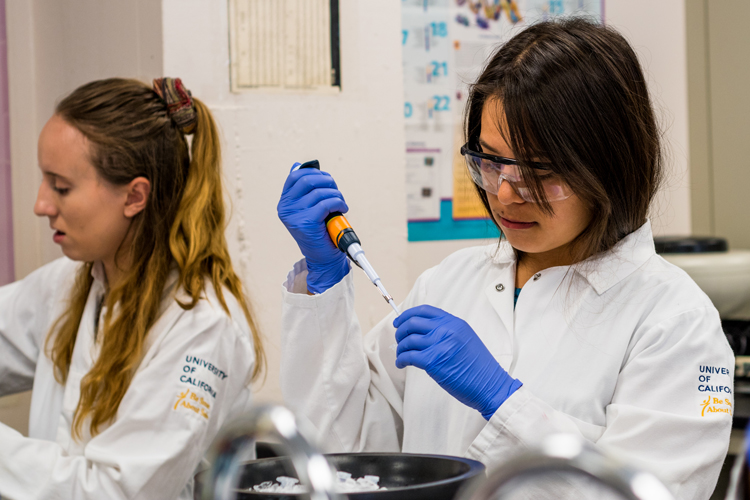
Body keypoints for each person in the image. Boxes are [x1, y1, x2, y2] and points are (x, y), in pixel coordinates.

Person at [277, 18, 733, 499]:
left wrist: (503, 400)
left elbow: (648, 494)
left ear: (609, 163)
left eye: (541, 168)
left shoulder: (676, 323)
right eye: (490, 160)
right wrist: (326, 284)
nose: (506, 193)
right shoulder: (448, 283)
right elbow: (349, 456)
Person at [0, 77, 264, 499]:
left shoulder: (202, 328)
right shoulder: (74, 282)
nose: (41, 205)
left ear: (134, 196)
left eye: (61, 186)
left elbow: (115, 491)